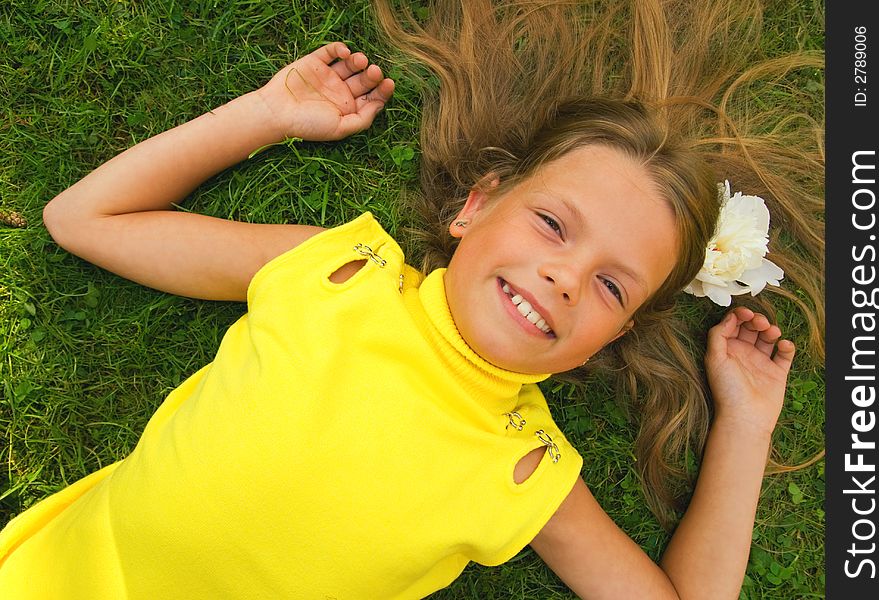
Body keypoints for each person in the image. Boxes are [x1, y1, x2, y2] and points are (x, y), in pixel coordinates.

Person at [0, 0, 824, 598]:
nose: (565, 277)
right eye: (550, 224)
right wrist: (265, 114)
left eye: (610, 285)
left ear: (605, 340)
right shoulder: (335, 272)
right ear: (476, 204)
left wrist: (745, 424)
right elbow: (82, 219)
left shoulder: (523, 463)